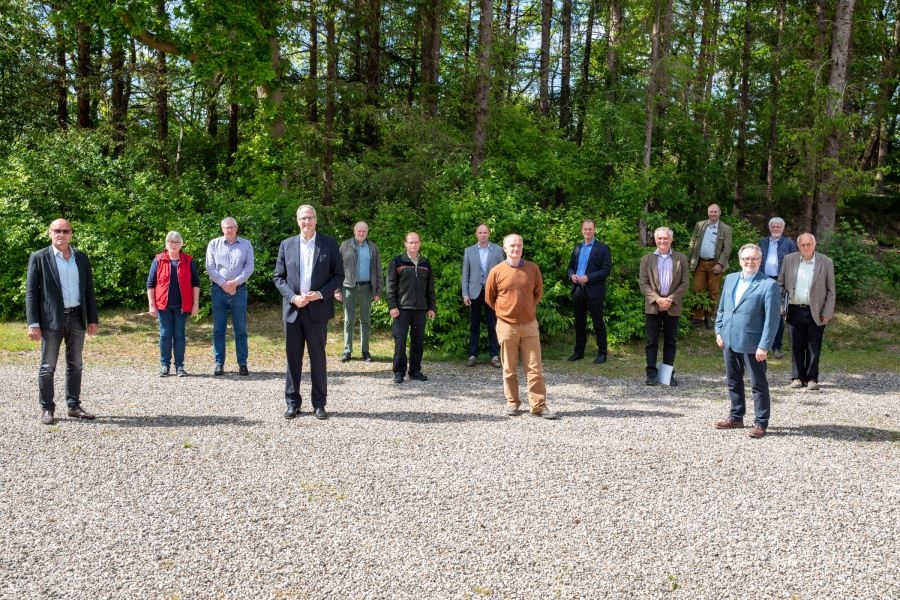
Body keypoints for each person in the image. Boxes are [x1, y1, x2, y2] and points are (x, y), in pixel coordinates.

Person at [26, 218, 100, 425]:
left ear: (71, 234)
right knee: (48, 366)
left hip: (77, 317)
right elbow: (31, 293)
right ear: (49, 233)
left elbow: (89, 291)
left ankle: (74, 406)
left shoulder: (81, 258)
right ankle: (47, 409)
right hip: (50, 320)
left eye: (65, 231)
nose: (61, 234)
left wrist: (92, 319)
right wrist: (33, 323)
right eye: (57, 231)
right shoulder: (39, 258)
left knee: (75, 364)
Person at [273, 205, 344, 420]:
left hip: (317, 311)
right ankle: (292, 403)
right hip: (294, 310)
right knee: (293, 359)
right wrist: (293, 297)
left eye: (310, 218)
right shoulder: (287, 245)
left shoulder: (329, 244)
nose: (307, 222)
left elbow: (338, 276)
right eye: (303, 218)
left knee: (318, 359)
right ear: (297, 221)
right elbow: (278, 277)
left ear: (316, 220)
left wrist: (320, 294)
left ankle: (319, 403)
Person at [485, 234, 556, 419]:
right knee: (509, 367)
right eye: (512, 246)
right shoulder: (497, 271)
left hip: (530, 325)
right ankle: (512, 403)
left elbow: (537, 293)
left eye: (518, 246)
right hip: (506, 326)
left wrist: (526, 310)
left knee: (534, 367)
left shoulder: (533, 269)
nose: (515, 249)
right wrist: (505, 312)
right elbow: (489, 298)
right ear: (505, 248)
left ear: (522, 248)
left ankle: (538, 405)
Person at [714, 244, 781, 439]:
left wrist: (764, 345)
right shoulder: (730, 279)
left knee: (758, 384)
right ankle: (736, 417)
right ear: (740, 260)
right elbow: (722, 308)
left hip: (753, 343)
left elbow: (772, 319)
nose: (749, 262)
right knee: (733, 381)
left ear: (760, 261)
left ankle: (761, 423)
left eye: (754, 259)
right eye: (746, 259)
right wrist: (719, 330)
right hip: (729, 340)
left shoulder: (768, 284)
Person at [778, 233, 836, 391]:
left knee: (813, 346)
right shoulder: (789, 260)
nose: (806, 247)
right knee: (796, 345)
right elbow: (780, 284)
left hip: (816, 311)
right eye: (803, 245)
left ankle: (812, 378)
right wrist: (780, 305)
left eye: (809, 244)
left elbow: (831, 291)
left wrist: (827, 312)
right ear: (798, 245)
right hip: (794, 309)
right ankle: (797, 377)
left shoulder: (825, 262)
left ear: (815, 244)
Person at [638, 227, 690, 386]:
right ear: (655, 240)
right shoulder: (646, 259)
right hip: (653, 306)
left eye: (665, 238)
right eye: (659, 238)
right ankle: (651, 374)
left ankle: (667, 376)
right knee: (651, 341)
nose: (662, 241)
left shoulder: (681, 258)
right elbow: (643, 284)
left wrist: (669, 300)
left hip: (672, 306)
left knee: (670, 341)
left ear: (671, 240)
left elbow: (685, 283)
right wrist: (658, 300)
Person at [147, 231, 201, 377]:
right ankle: (165, 366)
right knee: (165, 335)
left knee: (179, 335)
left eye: (177, 242)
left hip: (182, 306)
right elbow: (150, 284)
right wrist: (152, 305)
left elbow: (195, 283)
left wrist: (195, 304)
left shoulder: (189, 260)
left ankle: (179, 367)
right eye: (171, 241)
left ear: (181, 244)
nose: (174, 244)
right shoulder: (158, 260)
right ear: (166, 244)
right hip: (163, 305)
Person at [206, 217, 254, 376]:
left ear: (237, 227)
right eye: (227, 227)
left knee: (241, 329)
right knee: (219, 329)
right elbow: (210, 267)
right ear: (222, 229)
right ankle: (219, 363)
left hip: (239, 291)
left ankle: (243, 363)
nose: (230, 230)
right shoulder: (214, 244)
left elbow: (249, 267)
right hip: (218, 291)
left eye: (232, 227)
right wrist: (224, 284)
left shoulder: (246, 244)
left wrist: (234, 283)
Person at [385, 232, 436, 384]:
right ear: (405, 244)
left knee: (418, 341)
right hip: (401, 309)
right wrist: (392, 306)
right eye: (410, 242)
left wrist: (431, 307)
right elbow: (390, 287)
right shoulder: (397, 262)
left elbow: (430, 289)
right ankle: (399, 372)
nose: (413, 245)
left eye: (416, 242)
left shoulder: (425, 264)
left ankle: (415, 371)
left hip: (420, 309)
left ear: (420, 244)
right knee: (400, 342)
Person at [336, 222, 384, 363]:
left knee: (365, 320)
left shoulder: (373, 247)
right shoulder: (345, 246)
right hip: (348, 287)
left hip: (367, 287)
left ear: (367, 232)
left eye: (364, 231)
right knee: (349, 319)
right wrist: (336, 289)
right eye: (359, 231)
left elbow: (378, 270)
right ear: (354, 231)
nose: (361, 233)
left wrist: (378, 291)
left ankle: (365, 351)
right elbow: (336, 269)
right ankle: (347, 350)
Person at [566, 219, 612, 363]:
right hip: (578, 290)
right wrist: (571, 275)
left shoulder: (603, 248)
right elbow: (570, 267)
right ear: (582, 230)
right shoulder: (577, 247)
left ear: (594, 230)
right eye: (585, 229)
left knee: (598, 322)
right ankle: (579, 352)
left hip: (594, 290)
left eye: (590, 229)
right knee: (579, 323)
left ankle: (602, 353)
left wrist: (589, 277)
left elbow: (606, 270)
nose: (587, 232)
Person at [461, 224, 504, 368]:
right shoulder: (469, 251)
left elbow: (503, 274)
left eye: (485, 232)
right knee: (474, 325)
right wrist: (465, 294)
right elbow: (465, 274)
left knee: (493, 325)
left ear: (489, 234)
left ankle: (494, 356)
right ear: (476, 234)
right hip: (474, 293)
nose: (483, 235)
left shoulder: (498, 250)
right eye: (480, 232)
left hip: (492, 293)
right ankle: (473, 355)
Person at [688, 204, 733, 328]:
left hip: (715, 265)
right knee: (697, 290)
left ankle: (709, 317)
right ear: (708, 213)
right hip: (699, 263)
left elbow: (727, 249)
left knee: (713, 291)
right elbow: (692, 242)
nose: (712, 214)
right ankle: (696, 317)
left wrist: (720, 264)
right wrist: (689, 260)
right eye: (710, 212)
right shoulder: (700, 225)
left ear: (720, 213)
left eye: (715, 212)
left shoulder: (726, 229)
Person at [759, 217, 798, 359]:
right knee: (761, 313)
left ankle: (777, 347)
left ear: (783, 229)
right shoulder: (762, 242)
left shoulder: (789, 244)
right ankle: (763, 345)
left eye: (778, 227)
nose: (776, 229)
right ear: (769, 228)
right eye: (773, 227)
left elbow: (794, 265)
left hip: (780, 282)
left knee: (778, 314)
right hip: (763, 280)